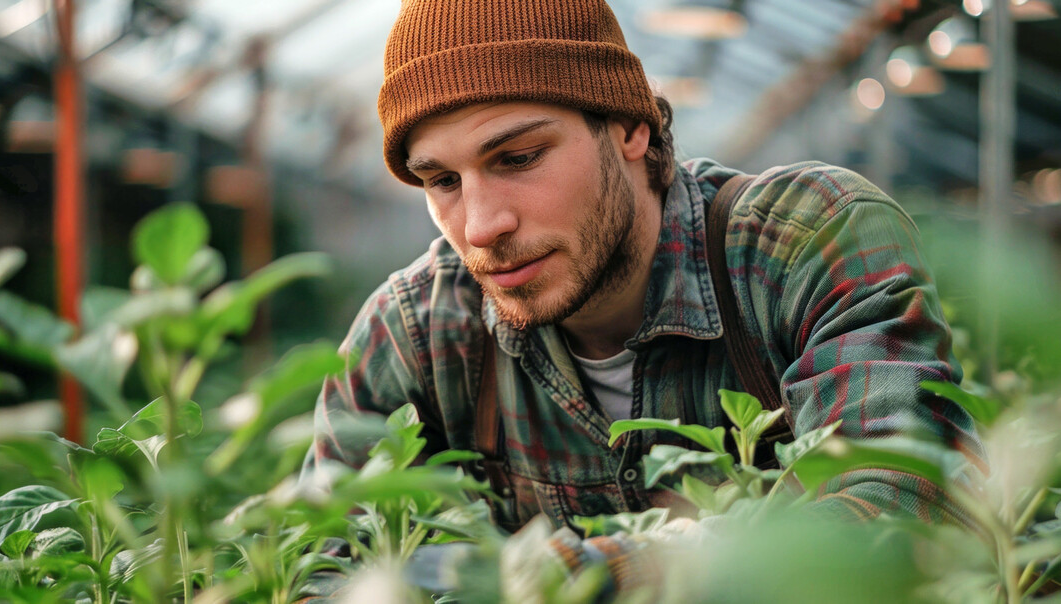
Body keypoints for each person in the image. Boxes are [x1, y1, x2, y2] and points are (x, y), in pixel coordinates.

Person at [305, 0, 983, 545]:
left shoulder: (802, 241)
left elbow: (906, 501)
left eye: (518, 157)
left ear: (631, 127)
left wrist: (609, 573)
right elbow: (315, 564)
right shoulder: (419, 332)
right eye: (443, 180)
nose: (481, 227)